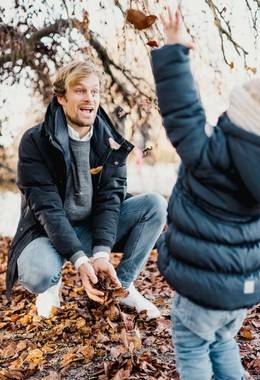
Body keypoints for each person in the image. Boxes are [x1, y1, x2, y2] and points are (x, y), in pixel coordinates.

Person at [150, 7, 260, 380]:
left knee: (193, 350)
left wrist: (174, 51)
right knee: (223, 342)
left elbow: (182, 111)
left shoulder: (209, 155)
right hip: (240, 289)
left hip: (202, 288)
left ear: (240, 115)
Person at [7, 60, 167, 319]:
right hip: (46, 231)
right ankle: (50, 287)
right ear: (61, 97)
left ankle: (121, 288)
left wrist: (102, 252)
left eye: (94, 91)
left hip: (89, 227)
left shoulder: (110, 142)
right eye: (80, 90)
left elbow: (109, 199)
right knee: (38, 274)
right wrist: (81, 260)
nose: (89, 98)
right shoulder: (36, 141)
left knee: (155, 205)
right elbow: (47, 209)